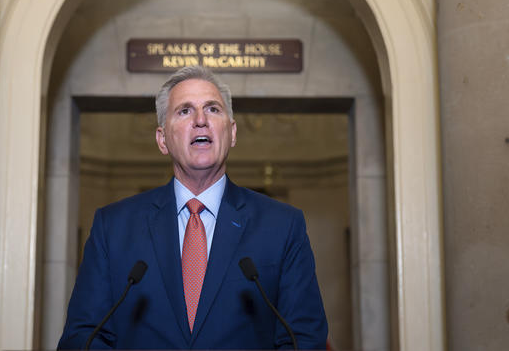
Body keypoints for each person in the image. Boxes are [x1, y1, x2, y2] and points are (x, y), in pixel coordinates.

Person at [58, 66, 328, 349]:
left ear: (232, 132)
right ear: (162, 140)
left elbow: (304, 339)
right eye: (184, 111)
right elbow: (83, 339)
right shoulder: (112, 227)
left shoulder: (282, 225)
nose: (201, 120)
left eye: (212, 109)